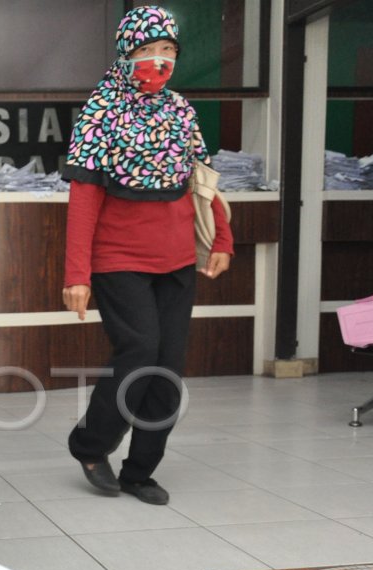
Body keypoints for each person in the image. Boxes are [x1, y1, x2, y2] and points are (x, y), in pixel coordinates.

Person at [60, 5, 233, 506]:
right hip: (118, 260)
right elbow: (84, 197)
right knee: (139, 350)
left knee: (169, 367)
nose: (157, 61)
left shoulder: (180, 111)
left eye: (168, 51)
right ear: (125, 54)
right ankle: (91, 445)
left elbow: (203, 181)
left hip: (177, 259)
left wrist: (222, 239)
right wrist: (77, 274)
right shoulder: (101, 112)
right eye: (146, 51)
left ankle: (140, 471)